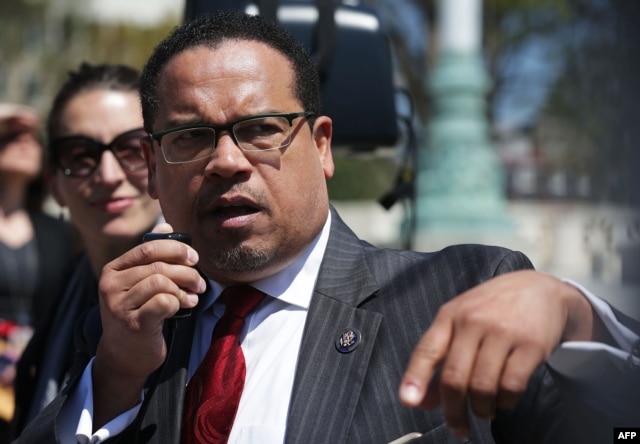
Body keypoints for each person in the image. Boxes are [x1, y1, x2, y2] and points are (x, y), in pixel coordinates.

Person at [14, 12, 640, 444]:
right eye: (191, 137)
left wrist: (573, 316)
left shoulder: (467, 293)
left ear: (321, 146)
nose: (227, 161)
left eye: (261, 128)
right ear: (154, 168)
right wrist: (116, 380)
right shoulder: (123, 332)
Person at [10, 63, 163, 439]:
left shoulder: (209, 296)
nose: (108, 175)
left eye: (132, 148)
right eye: (80, 155)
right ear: (55, 186)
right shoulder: (65, 287)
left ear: (163, 160)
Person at [0, 103, 74, 441]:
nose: (26, 141)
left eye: (33, 136)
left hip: (35, 380)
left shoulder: (59, 234)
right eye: (12, 135)